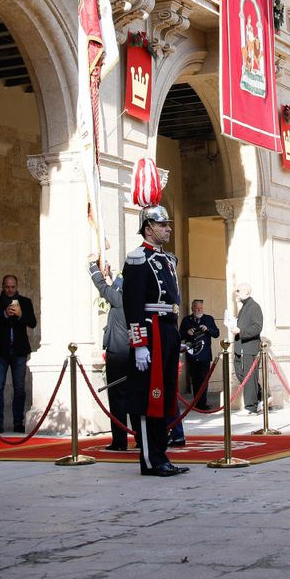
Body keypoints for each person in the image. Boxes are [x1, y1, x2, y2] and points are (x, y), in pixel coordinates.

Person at [120, 204, 188, 477]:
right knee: (152, 397)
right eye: (163, 225)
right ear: (148, 228)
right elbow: (132, 304)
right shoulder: (138, 259)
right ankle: (150, 459)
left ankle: (161, 455)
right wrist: (139, 344)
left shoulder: (167, 260)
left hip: (168, 330)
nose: (168, 229)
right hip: (152, 331)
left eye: (168, 224)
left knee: (167, 394)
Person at [88, 254, 135, 451]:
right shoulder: (132, 295)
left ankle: (119, 441)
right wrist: (110, 275)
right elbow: (114, 287)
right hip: (131, 351)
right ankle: (139, 438)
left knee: (117, 397)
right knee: (133, 397)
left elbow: (104, 289)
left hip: (119, 351)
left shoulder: (122, 298)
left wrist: (93, 268)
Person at [0, 274, 36, 433]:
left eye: (13, 287)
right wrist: (4, 314)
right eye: (7, 287)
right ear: (2, 286)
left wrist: (20, 315)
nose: (10, 290)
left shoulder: (25, 302)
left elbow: (32, 323)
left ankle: (18, 422)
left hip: (19, 351)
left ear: (17, 287)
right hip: (1, 351)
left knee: (20, 388)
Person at [179, 299, 220, 412]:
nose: (198, 310)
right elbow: (179, 335)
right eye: (196, 308)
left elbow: (216, 333)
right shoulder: (186, 320)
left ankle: (202, 403)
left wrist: (208, 329)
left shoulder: (208, 319)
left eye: (200, 308)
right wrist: (187, 332)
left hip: (205, 355)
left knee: (203, 379)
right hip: (192, 355)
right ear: (192, 309)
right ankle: (196, 402)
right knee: (195, 379)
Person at [234, 284, 265, 414]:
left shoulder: (254, 307)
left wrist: (241, 331)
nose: (236, 293)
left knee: (249, 377)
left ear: (246, 292)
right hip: (241, 347)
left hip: (250, 348)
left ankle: (250, 407)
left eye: (238, 291)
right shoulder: (244, 307)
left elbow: (257, 327)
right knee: (241, 374)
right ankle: (262, 397)